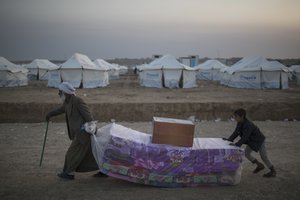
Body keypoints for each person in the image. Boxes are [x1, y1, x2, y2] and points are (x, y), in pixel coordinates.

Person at [46, 82, 107, 180]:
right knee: (91, 155)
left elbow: (88, 116)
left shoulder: (78, 101)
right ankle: (104, 170)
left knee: (72, 153)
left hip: (84, 134)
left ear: (65, 93)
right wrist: (49, 114)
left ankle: (69, 173)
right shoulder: (68, 102)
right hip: (79, 134)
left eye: (60, 92)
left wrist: (91, 128)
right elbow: (60, 110)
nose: (58, 94)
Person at [223, 108, 276, 178]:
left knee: (264, 156)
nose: (234, 118)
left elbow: (245, 137)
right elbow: (236, 132)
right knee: (246, 153)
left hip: (259, 140)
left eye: (236, 116)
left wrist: (237, 145)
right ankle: (259, 165)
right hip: (251, 141)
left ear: (241, 116)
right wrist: (229, 140)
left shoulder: (248, 125)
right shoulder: (239, 123)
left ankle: (273, 171)